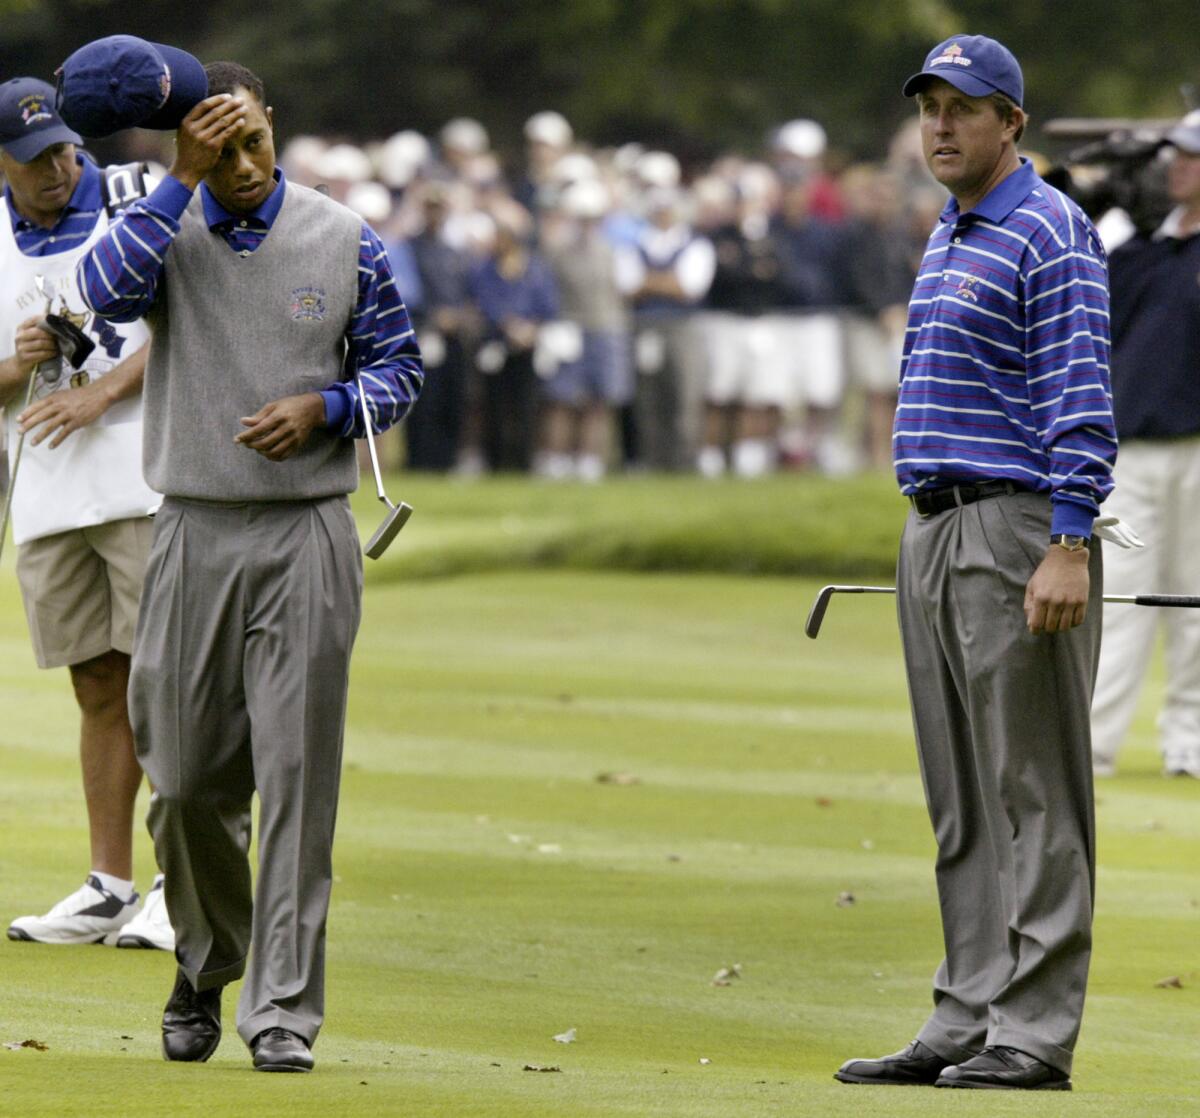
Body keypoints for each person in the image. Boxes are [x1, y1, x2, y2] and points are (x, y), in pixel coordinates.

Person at [78, 60, 423, 1073]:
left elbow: (399, 370)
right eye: (214, 144)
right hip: (188, 526)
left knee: (296, 778)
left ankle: (283, 1011)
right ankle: (208, 957)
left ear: (276, 124)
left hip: (306, 531)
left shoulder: (344, 234)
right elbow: (103, 297)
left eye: (250, 140)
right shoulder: (163, 222)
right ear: (187, 143)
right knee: (183, 782)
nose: (238, 162)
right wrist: (176, 178)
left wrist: (325, 407)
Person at [835, 35, 1116, 1091]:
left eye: (965, 107)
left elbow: (1082, 400)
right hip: (934, 525)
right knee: (960, 792)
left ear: (1013, 124)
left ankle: (1034, 1030)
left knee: (1032, 785)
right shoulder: (953, 231)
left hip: (1014, 528)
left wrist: (1071, 539)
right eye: (930, 107)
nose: (941, 126)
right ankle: (968, 1008)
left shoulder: (1051, 231)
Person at [0, 76, 173, 952]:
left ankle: (183, 888)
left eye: (65, 148)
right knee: (96, 684)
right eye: (34, 160)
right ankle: (109, 885)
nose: (58, 168)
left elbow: (188, 324)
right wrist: (18, 363)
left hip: (148, 478)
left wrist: (98, 391)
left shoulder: (136, 199)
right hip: (48, 489)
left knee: (165, 685)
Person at [1090, 110, 1200, 779]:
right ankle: (1093, 745)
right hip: (1131, 451)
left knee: (1194, 601)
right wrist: (1106, 195)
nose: (1175, 164)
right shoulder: (1137, 252)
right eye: (1173, 155)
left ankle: (1188, 741)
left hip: (1198, 450)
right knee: (1120, 598)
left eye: (1190, 155)